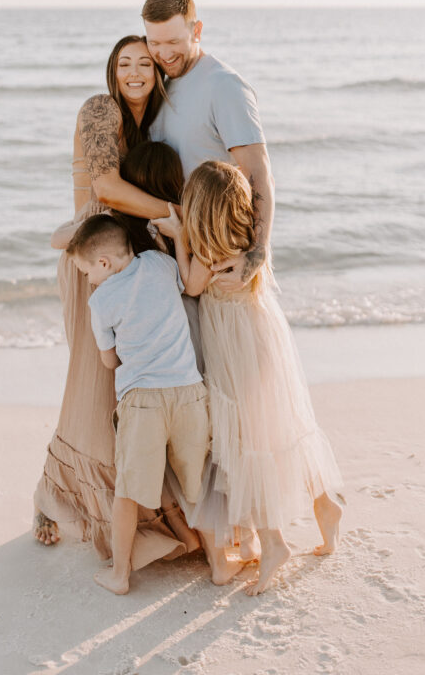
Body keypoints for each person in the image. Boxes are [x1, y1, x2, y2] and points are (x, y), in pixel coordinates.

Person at [33, 36, 197, 568]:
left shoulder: (151, 123)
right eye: (124, 63)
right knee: (94, 382)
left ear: (157, 72)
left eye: (144, 63)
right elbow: (105, 186)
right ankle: (54, 498)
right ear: (112, 70)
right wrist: (181, 214)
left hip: (135, 264)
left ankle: (141, 502)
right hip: (96, 267)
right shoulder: (101, 110)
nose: (134, 72)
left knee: (130, 385)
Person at [155, 161, 344, 595]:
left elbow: (191, 286)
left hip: (233, 352)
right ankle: (325, 506)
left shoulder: (206, 251)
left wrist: (180, 236)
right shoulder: (247, 243)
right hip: (266, 335)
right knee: (287, 425)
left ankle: (275, 542)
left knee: (249, 442)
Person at [68, 213, 210, 595]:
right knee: (198, 486)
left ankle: (120, 574)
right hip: (189, 392)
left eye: (86, 271)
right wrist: (179, 236)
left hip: (143, 401)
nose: (88, 279)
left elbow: (110, 361)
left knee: (128, 492)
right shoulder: (160, 265)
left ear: (104, 263)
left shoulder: (101, 301)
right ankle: (223, 562)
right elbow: (187, 282)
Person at [142, 0, 273, 292]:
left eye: (174, 41)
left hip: (218, 263)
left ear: (197, 30)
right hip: (180, 260)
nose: (164, 54)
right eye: (155, 43)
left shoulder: (223, 86)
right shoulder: (158, 84)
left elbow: (258, 171)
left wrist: (257, 253)